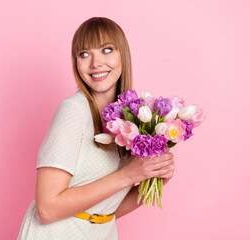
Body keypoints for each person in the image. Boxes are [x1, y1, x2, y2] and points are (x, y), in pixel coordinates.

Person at [18, 17, 175, 240]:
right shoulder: (73, 111)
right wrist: (127, 175)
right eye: (84, 54)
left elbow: (104, 210)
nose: (95, 63)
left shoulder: (129, 119)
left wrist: (154, 177)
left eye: (107, 50)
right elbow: (47, 209)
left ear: (123, 55)